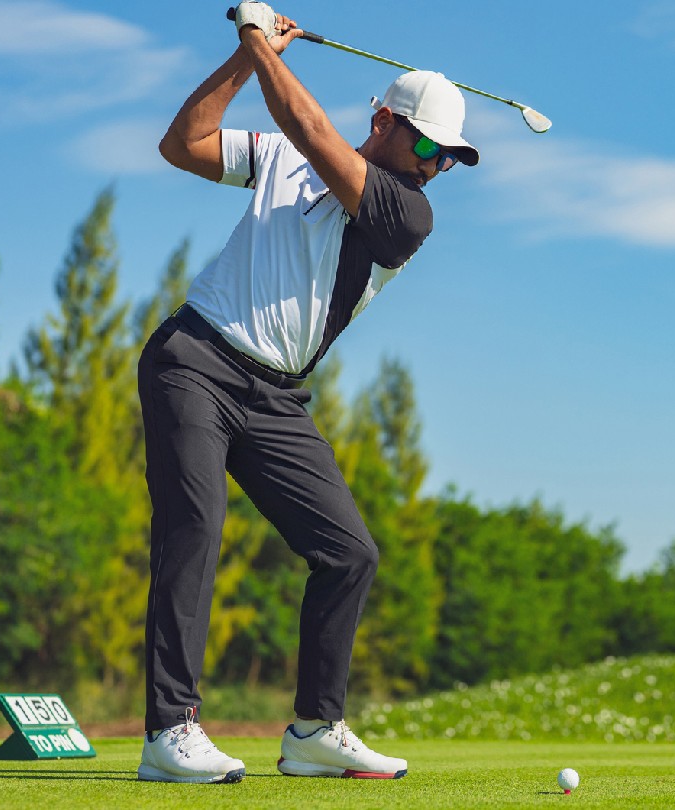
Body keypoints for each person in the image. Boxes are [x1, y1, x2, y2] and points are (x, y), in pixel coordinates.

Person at [133, 0, 478, 784]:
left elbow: (316, 135)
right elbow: (180, 144)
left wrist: (259, 42)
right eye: (428, 143)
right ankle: (169, 732)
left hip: (275, 399)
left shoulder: (407, 215)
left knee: (349, 553)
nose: (435, 164)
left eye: (450, 156)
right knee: (195, 527)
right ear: (385, 120)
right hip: (194, 361)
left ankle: (316, 728)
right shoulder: (282, 161)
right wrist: (243, 59)